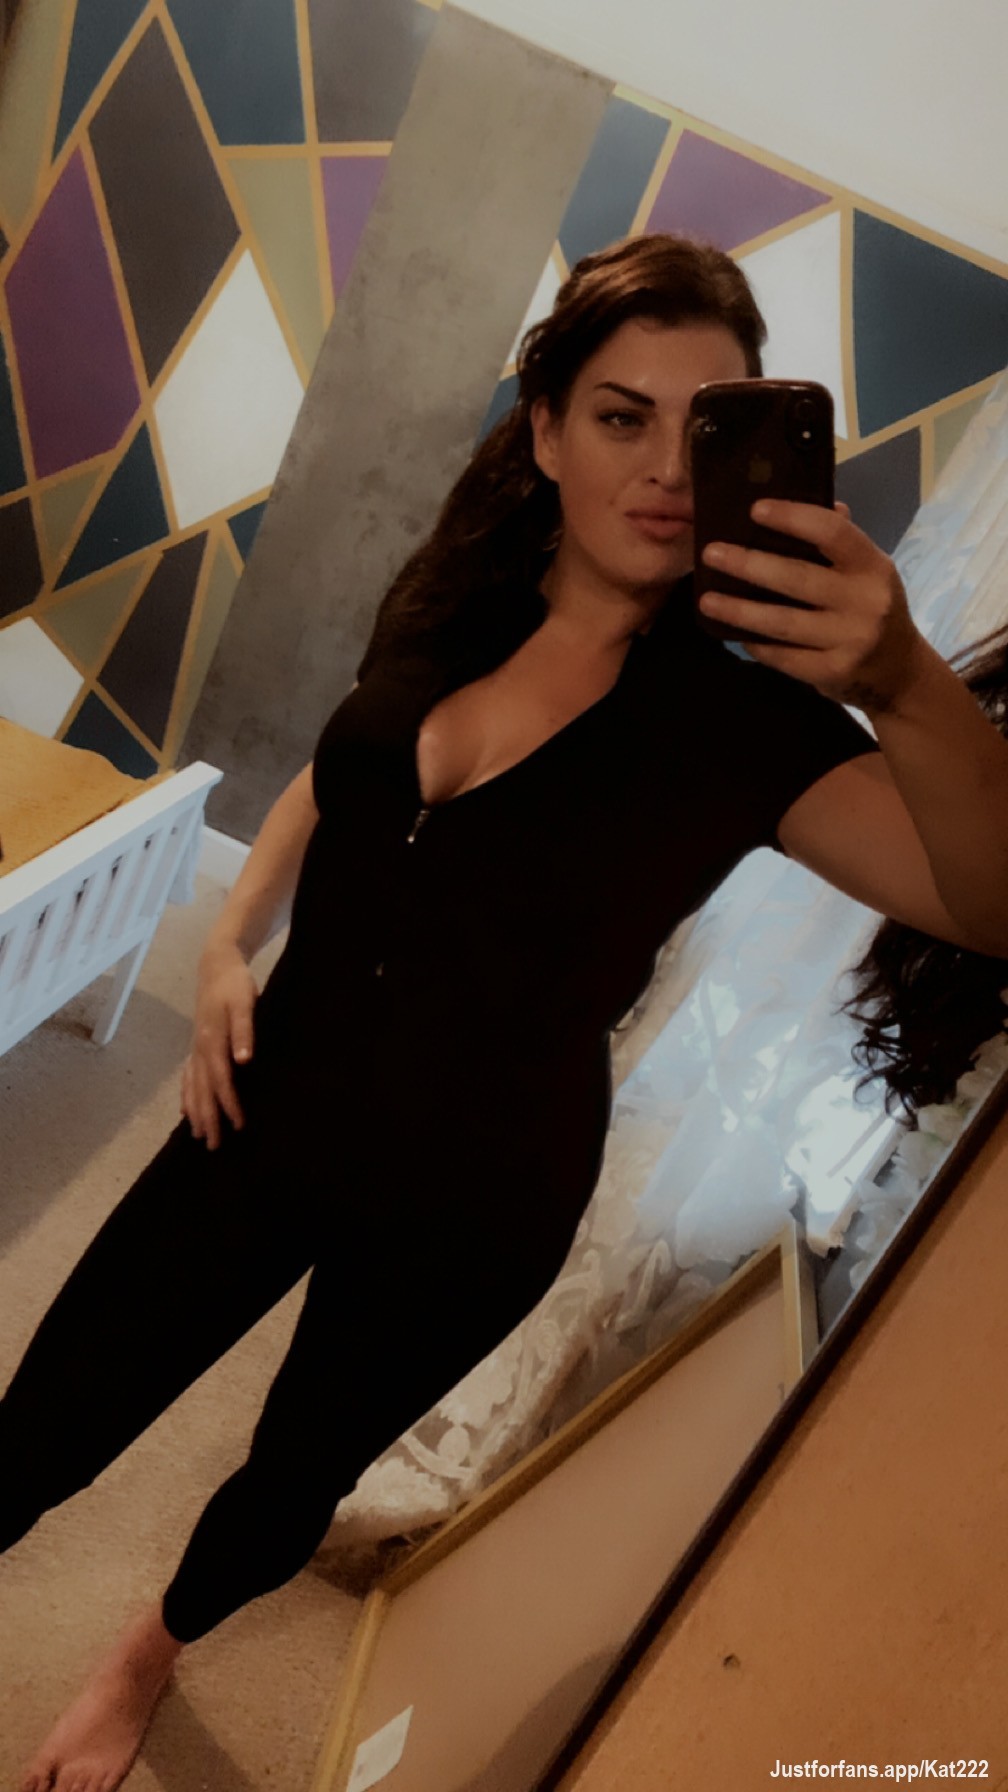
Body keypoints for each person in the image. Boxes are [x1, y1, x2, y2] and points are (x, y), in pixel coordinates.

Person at [6, 232, 1008, 1792]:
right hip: (271, 1099)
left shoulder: (750, 728)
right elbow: (343, 778)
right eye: (621, 415)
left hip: (481, 1191)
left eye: (704, 425)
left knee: (291, 1477)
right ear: (545, 431)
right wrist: (227, 947)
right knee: (55, 1404)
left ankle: (149, 1651)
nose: (665, 466)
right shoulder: (452, 596)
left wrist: (901, 677)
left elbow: (990, 906)